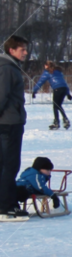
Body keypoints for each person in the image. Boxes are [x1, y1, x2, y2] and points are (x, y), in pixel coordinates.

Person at [0, 36, 29, 221]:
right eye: (22, 49)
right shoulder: (7, 69)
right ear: (12, 50)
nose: (25, 52)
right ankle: (6, 207)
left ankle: (6, 204)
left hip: (9, 121)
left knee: (5, 165)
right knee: (9, 165)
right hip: (9, 124)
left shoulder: (9, 67)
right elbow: (2, 96)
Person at [32, 61, 72, 130]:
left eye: (45, 65)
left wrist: (34, 91)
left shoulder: (47, 72)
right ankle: (65, 120)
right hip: (64, 89)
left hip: (57, 89)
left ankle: (57, 122)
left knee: (55, 106)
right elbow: (63, 82)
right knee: (58, 105)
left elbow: (40, 82)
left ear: (47, 66)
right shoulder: (58, 71)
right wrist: (68, 93)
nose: (44, 66)